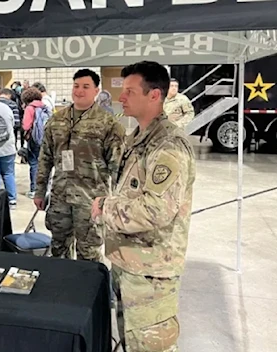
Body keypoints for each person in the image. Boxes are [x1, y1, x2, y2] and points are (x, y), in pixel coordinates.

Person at [91, 61, 196, 352]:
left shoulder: (168, 146)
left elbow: (156, 210)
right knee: (130, 341)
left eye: (129, 91)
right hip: (130, 264)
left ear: (154, 96)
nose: (120, 97)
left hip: (151, 273)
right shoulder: (138, 138)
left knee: (149, 345)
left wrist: (105, 208)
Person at [34, 69, 125, 262]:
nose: (79, 91)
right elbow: (45, 158)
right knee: (58, 249)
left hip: (91, 200)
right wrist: (40, 191)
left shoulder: (108, 124)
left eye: (85, 87)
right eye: (76, 86)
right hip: (60, 197)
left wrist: (116, 204)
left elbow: (118, 167)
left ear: (96, 91)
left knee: (89, 253)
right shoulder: (56, 120)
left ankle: (90, 291)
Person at [21, 87, 49, 199]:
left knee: (34, 164)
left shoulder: (30, 108)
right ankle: (46, 188)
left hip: (34, 140)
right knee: (45, 164)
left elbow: (26, 125)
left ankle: (34, 190)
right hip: (45, 139)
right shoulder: (44, 106)